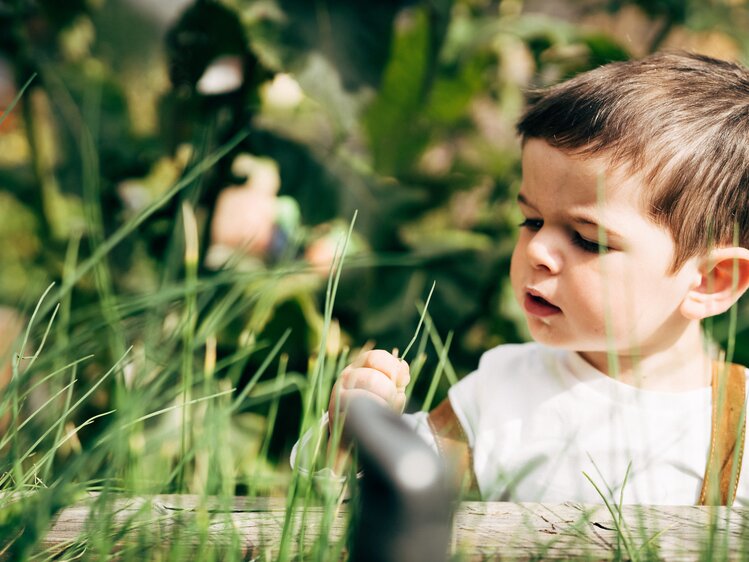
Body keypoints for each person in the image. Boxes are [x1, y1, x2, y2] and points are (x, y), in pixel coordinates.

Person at [295, 52, 749, 506]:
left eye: (588, 240)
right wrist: (356, 433)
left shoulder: (740, 429)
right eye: (531, 221)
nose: (536, 251)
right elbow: (386, 507)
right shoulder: (503, 393)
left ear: (710, 280)